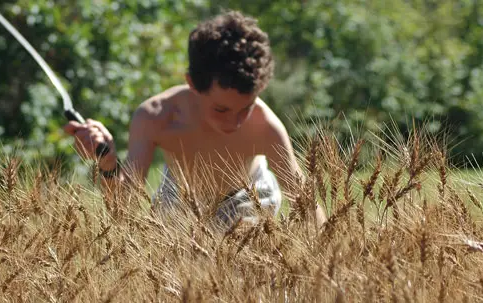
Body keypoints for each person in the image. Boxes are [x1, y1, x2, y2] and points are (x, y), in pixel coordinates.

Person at [63, 10, 326, 229]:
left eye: (245, 108)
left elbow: (307, 204)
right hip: (178, 196)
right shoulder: (155, 118)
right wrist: (108, 165)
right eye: (221, 110)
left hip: (249, 194)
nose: (235, 123)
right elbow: (124, 211)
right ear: (192, 84)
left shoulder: (265, 126)